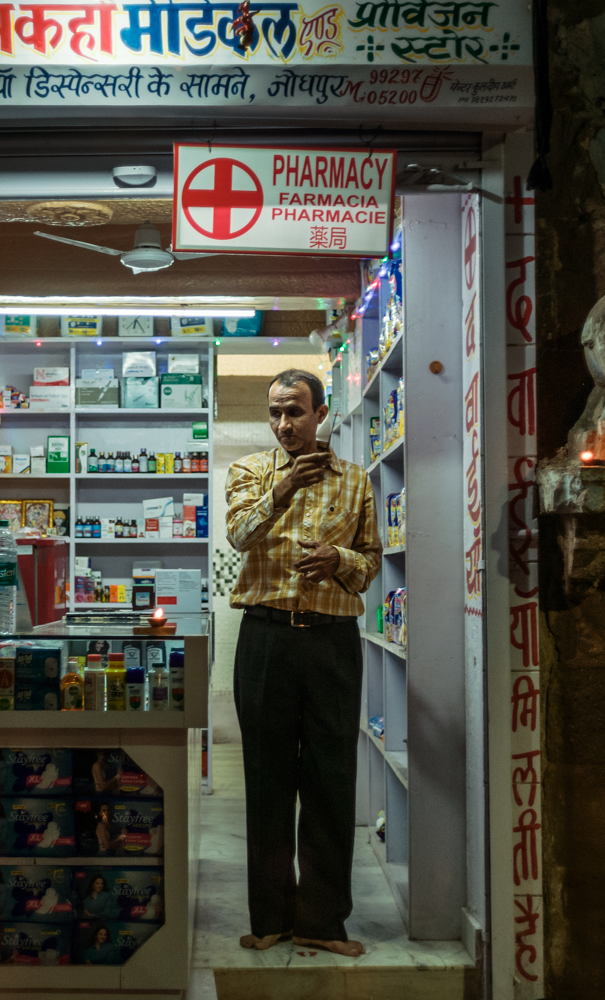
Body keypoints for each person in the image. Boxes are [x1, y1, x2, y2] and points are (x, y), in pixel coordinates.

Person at [224, 369, 381, 958]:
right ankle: (270, 918)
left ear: (321, 414)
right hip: (266, 639)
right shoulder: (250, 472)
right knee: (267, 781)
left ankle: (322, 922)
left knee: (330, 781)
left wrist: (339, 559)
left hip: (331, 642)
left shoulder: (356, 480)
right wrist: (285, 486)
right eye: (275, 413)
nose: (284, 424)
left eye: (294, 411)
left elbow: (370, 561)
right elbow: (239, 535)